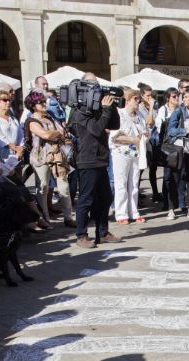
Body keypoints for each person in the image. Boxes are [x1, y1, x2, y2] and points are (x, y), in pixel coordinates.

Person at [69, 73, 122, 248]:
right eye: (93, 85)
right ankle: (81, 235)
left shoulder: (96, 109)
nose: (97, 88)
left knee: (105, 198)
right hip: (87, 159)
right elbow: (97, 130)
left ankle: (102, 232)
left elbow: (114, 125)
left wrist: (111, 107)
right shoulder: (79, 112)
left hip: (100, 159)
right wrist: (105, 110)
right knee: (86, 199)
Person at [25, 90, 74, 227]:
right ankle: (44, 218)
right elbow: (46, 135)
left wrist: (55, 133)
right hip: (40, 156)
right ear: (33, 105)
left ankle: (68, 217)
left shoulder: (50, 117)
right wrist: (55, 133)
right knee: (43, 186)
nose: (43, 104)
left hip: (56, 153)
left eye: (43, 101)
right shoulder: (32, 121)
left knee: (64, 185)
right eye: (40, 102)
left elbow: (63, 133)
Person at [164, 87, 189, 220]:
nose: (184, 99)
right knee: (175, 180)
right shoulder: (179, 111)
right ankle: (171, 209)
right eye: (184, 97)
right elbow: (170, 130)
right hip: (178, 150)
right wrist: (184, 130)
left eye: (187, 97)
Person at [110, 88, 148, 225]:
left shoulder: (140, 117)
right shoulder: (119, 114)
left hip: (136, 154)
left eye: (139, 99)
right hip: (121, 153)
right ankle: (121, 214)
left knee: (134, 184)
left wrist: (143, 138)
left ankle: (134, 211)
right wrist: (134, 140)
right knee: (121, 184)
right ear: (127, 100)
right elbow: (115, 138)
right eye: (135, 99)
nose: (138, 101)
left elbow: (145, 133)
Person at [155, 88, 181, 219]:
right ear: (168, 98)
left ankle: (177, 203)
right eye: (174, 97)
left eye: (178, 96)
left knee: (178, 176)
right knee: (167, 176)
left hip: (179, 147)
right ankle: (167, 202)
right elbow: (159, 127)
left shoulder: (181, 109)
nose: (177, 99)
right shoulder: (163, 110)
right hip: (168, 147)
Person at [0, 89, 23, 163]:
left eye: (9, 100)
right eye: (5, 100)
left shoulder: (13, 119)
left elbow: (21, 135)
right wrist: (14, 147)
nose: (8, 102)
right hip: (1, 154)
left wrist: (20, 148)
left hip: (16, 154)